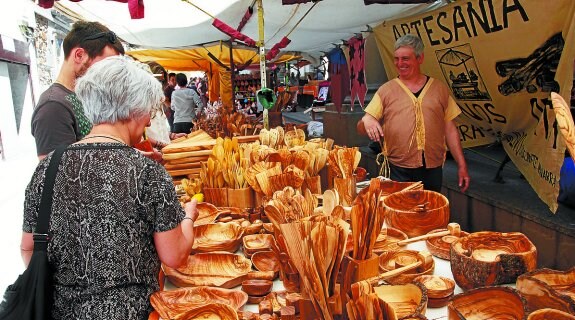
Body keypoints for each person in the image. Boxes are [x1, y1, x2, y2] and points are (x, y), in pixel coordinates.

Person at [20, 56, 198, 319]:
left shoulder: (49, 168)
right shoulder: (147, 171)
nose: (149, 121)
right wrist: (188, 218)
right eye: (148, 110)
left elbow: (29, 248)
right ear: (133, 108)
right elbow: (174, 256)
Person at [357, 34, 470, 193]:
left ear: (420, 58)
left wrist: (462, 166)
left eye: (405, 58)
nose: (400, 63)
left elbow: (450, 129)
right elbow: (362, 128)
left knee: (429, 211)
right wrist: (367, 119)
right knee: (400, 213)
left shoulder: (439, 89)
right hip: (398, 169)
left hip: (432, 169)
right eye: (396, 59)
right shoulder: (386, 90)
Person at [31, 21, 125, 160]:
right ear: (79, 55)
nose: (109, 74)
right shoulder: (53, 107)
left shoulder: (89, 97)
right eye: (105, 66)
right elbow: (57, 173)